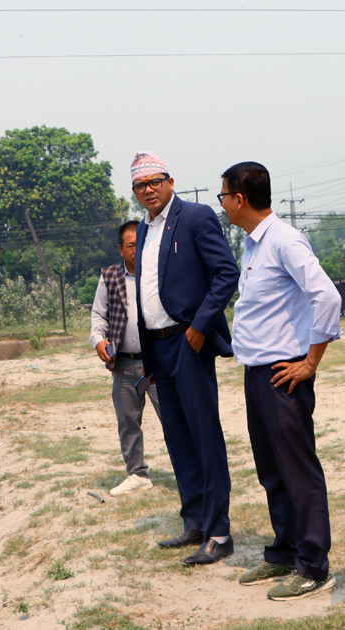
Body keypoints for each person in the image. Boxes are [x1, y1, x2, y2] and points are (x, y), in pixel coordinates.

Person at [220, 161, 340, 600]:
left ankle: (313, 565)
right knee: (273, 471)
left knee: (298, 470)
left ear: (240, 199)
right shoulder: (254, 245)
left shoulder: (285, 241)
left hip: (284, 374)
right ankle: (286, 551)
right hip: (258, 373)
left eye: (223, 196)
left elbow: (326, 296)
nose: (222, 203)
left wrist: (310, 362)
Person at [130, 151, 240, 566]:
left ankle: (219, 532)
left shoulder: (195, 217)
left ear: (170, 181)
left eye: (154, 181)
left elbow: (226, 273)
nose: (149, 190)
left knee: (202, 435)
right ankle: (194, 520)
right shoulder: (143, 230)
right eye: (140, 185)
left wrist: (199, 325)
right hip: (157, 348)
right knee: (177, 438)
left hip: (189, 342)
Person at [90, 220, 162, 497]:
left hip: (157, 362)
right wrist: (98, 340)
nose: (137, 250)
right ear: (121, 249)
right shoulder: (110, 277)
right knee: (128, 421)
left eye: (141, 244)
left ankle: (186, 471)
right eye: (131, 245)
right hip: (123, 362)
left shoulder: (157, 275)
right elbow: (99, 314)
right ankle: (136, 473)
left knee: (172, 418)